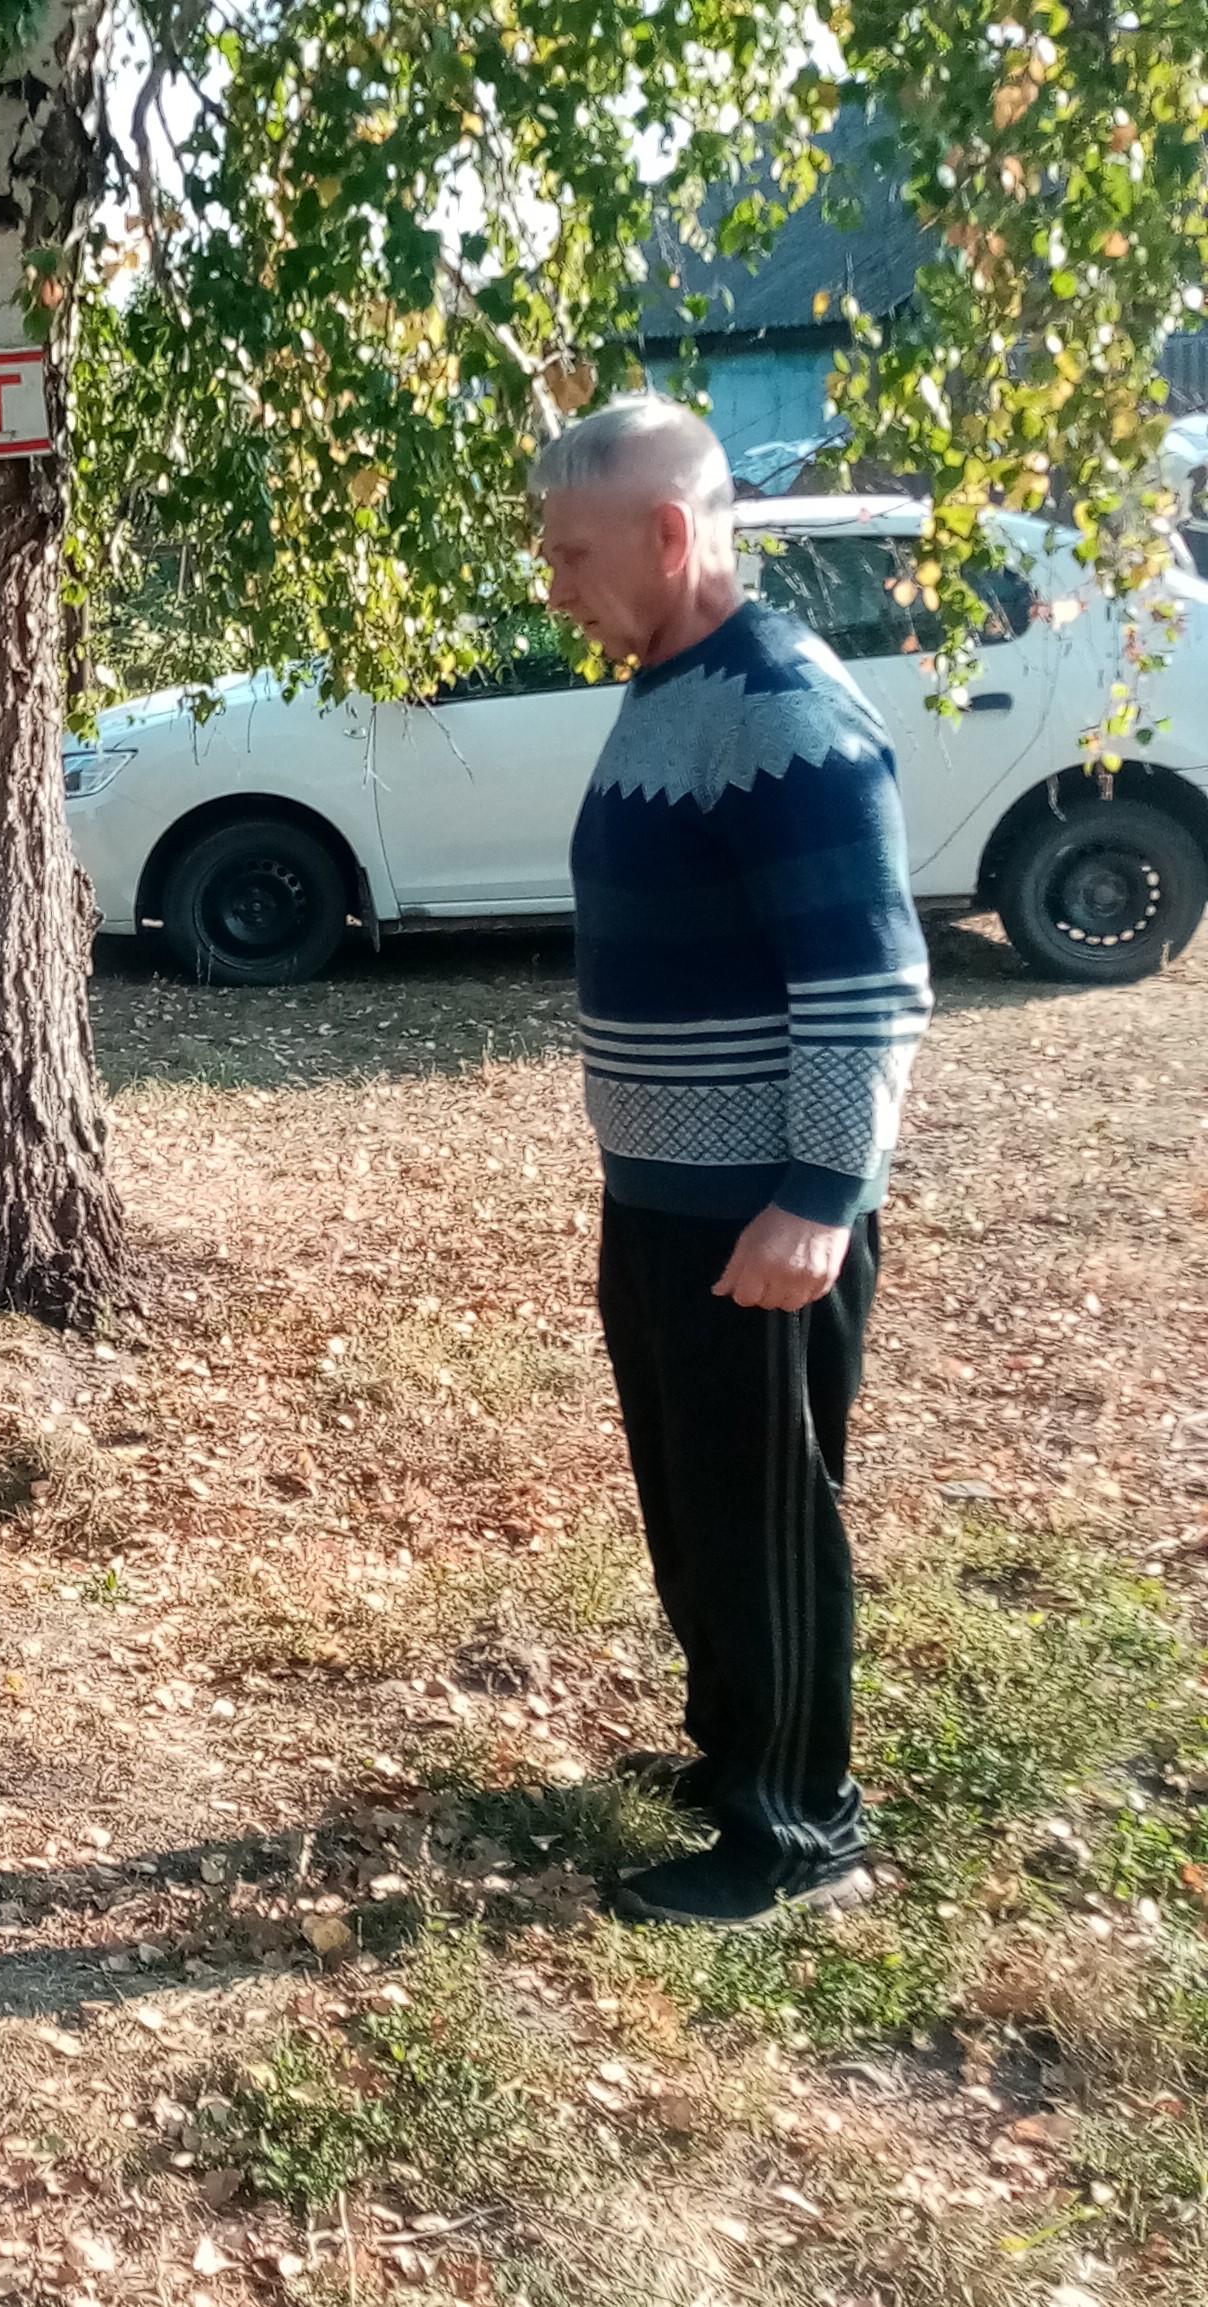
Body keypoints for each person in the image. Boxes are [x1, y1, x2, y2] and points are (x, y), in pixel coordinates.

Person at [532, 397, 931, 1927]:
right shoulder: (668, 689)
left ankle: (800, 1824)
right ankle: (736, 1752)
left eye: (574, 553)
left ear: (672, 534)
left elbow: (867, 983)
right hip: (666, 1201)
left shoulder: (785, 714)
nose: (555, 583)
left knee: (765, 1511)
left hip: (762, 1215)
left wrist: (821, 1195)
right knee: (696, 1497)